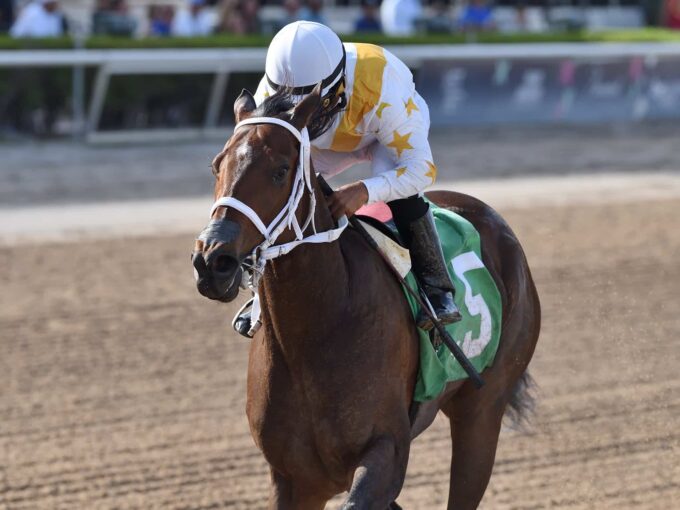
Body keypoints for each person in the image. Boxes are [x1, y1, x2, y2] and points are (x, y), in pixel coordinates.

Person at [233, 21, 461, 337]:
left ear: (337, 87)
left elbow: (421, 170)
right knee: (277, 192)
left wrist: (365, 190)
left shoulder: (383, 88)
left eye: (311, 107)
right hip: (330, 143)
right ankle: (261, 291)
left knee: (401, 194)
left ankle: (437, 289)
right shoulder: (269, 92)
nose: (304, 116)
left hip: (381, 133)